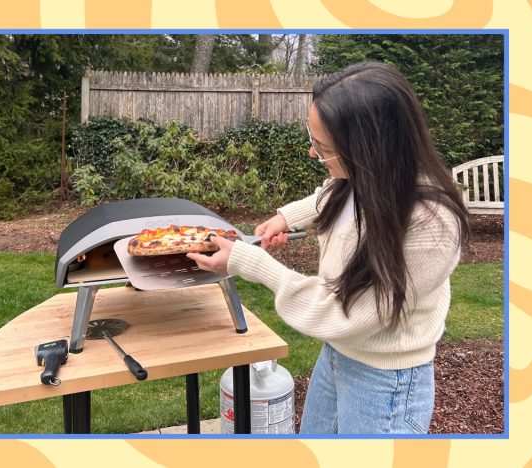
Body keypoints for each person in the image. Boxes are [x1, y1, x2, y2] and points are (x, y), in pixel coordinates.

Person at [187, 61, 470, 435]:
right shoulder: (367, 178)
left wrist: (248, 262)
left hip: (386, 381)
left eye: (323, 147)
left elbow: (343, 312)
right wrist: (288, 217)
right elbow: (332, 195)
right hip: (339, 356)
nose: (312, 153)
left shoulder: (430, 225)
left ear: (370, 148)